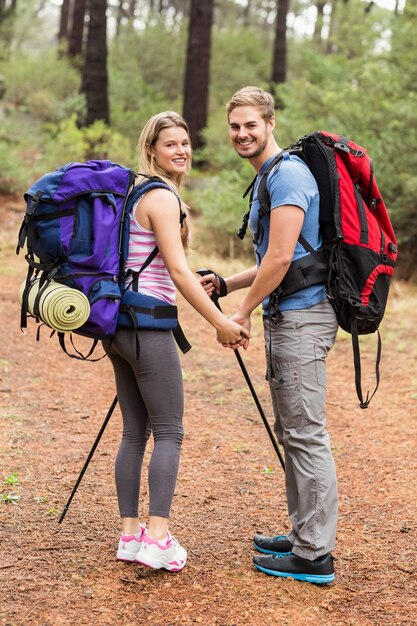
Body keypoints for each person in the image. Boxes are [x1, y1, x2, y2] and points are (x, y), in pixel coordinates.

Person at [200, 87, 338, 584]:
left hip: (303, 320)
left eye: (250, 125)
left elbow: (280, 260)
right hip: (288, 317)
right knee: (294, 432)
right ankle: (305, 536)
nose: (241, 134)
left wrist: (237, 313)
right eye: (234, 126)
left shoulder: (290, 175)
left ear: (270, 123)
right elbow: (277, 259)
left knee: (305, 433)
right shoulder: (270, 176)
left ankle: (314, 555)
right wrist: (226, 282)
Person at [105, 111, 248, 573]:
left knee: (133, 432)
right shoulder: (163, 197)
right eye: (171, 144)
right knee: (169, 431)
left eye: (185, 142)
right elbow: (179, 272)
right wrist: (220, 323)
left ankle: (130, 535)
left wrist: (196, 275)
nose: (182, 151)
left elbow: (163, 264)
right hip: (149, 327)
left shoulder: (133, 194)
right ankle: (159, 538)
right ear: (152, 150)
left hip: (119, 325)